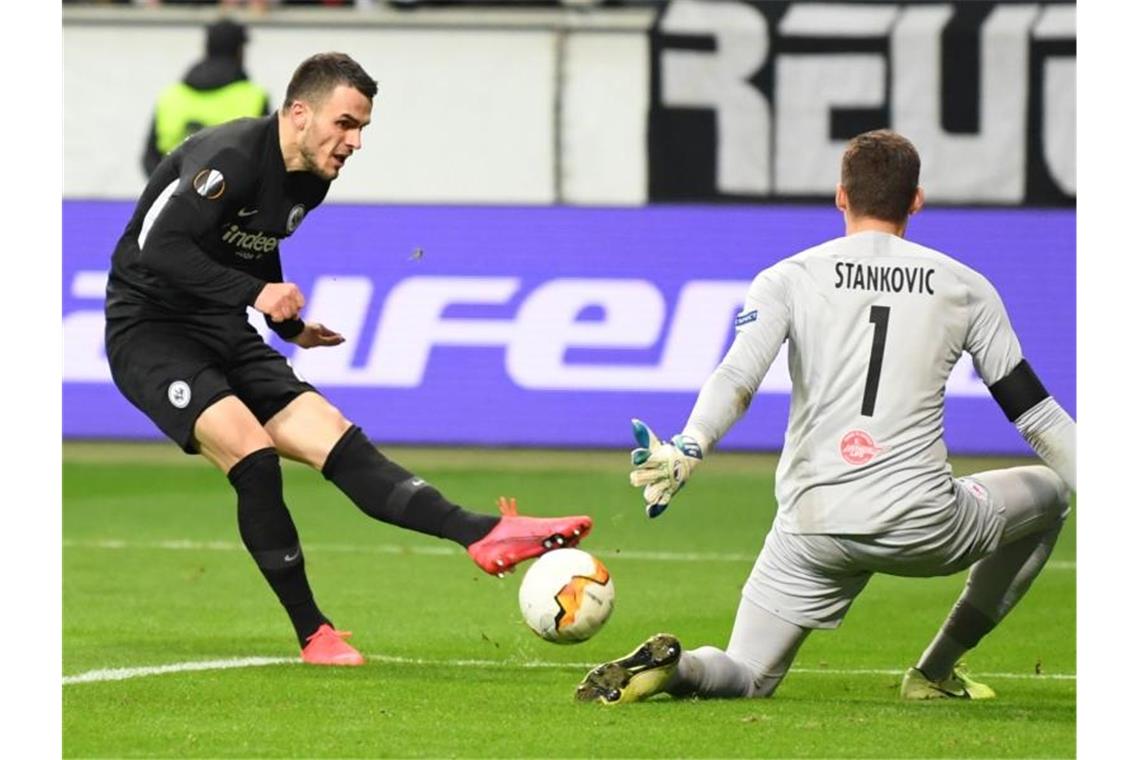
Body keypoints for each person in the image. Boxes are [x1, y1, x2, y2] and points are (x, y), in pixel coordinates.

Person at [105, 52, 592, 666]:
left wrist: (290, 325)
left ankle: (481, 533)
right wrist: (258, 295)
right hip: (149, 332)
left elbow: (253, 246)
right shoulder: (226, 158)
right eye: (345, 123)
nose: (354, 141)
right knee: (252, 454)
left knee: (337, 440)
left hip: (221, 327)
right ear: (299, 113)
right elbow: (159, 246)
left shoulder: (312, 179)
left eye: (362, 128)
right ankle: (314, 634)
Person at [576, 129, 1075, 703]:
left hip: (813, 523)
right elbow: (1036, 417)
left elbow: (737, 377)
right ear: (916, 200)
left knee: (747, 672)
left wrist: (690, 446)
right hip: (924, 522)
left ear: (841, 196)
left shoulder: (789, 277)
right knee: (1052, 494)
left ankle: (682, 669)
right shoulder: (966, 288)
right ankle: (934, 673)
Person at [141, 18, 271, 177]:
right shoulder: (253, 96)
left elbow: (149, 159)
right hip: (231, 197)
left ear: (206, 48)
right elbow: (266, 159)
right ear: (239, 52)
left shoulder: (171, 96)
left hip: (174, 194)